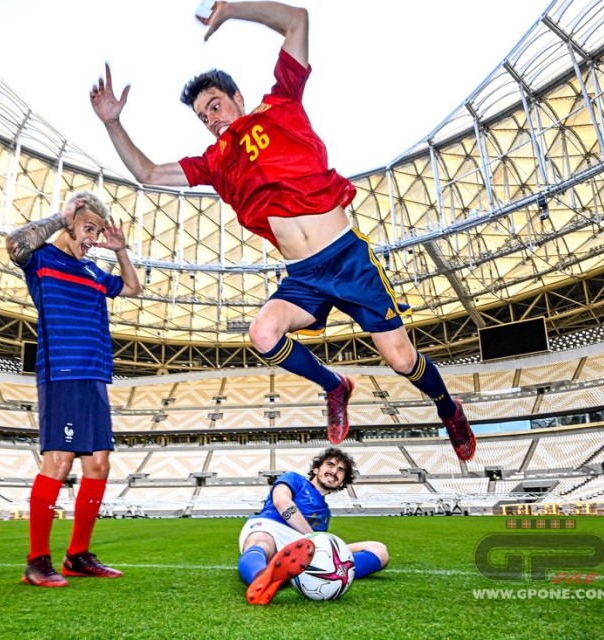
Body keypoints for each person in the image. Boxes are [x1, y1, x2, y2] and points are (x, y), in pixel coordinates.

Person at [89, 0, 475, 462]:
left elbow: (298, 20)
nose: (211, 118)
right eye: (202, 117)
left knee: (401, 359)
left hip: (347, 258)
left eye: (215, 105)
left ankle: (447, 407)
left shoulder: (281, 104)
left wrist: (232, 10)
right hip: (303, 275)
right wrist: (114, 123)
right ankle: (335, 385)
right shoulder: (214, 163)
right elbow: (148, 173)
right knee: (263, 332)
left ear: (237, 97)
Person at [6, 190, 141, 587]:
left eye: (98, 232)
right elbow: (15, 244)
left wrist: (119, 251)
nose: (92, 238)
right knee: (60, 461)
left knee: (99, 464)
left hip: (95, 376)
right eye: (88, 229)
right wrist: (60, 216)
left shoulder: (96, 274)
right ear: (69, 223)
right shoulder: (44, 260)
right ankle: (36, 561)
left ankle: (77, 556)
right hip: (61, 374)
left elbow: (133, 288)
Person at [237, 447, 389, 605]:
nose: (334, 471)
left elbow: (320, 544)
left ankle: (288, 574)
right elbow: (281, 502)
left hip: (303, 549)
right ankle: (262, 578)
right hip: (271, 527)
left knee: (380, 551)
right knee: (262, 541)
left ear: (342, 481)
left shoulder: (325, 514)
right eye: (330, 464)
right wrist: (314, 539)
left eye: (341, 470)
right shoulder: (294, 479)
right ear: (316, 469)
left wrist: (323, 545)